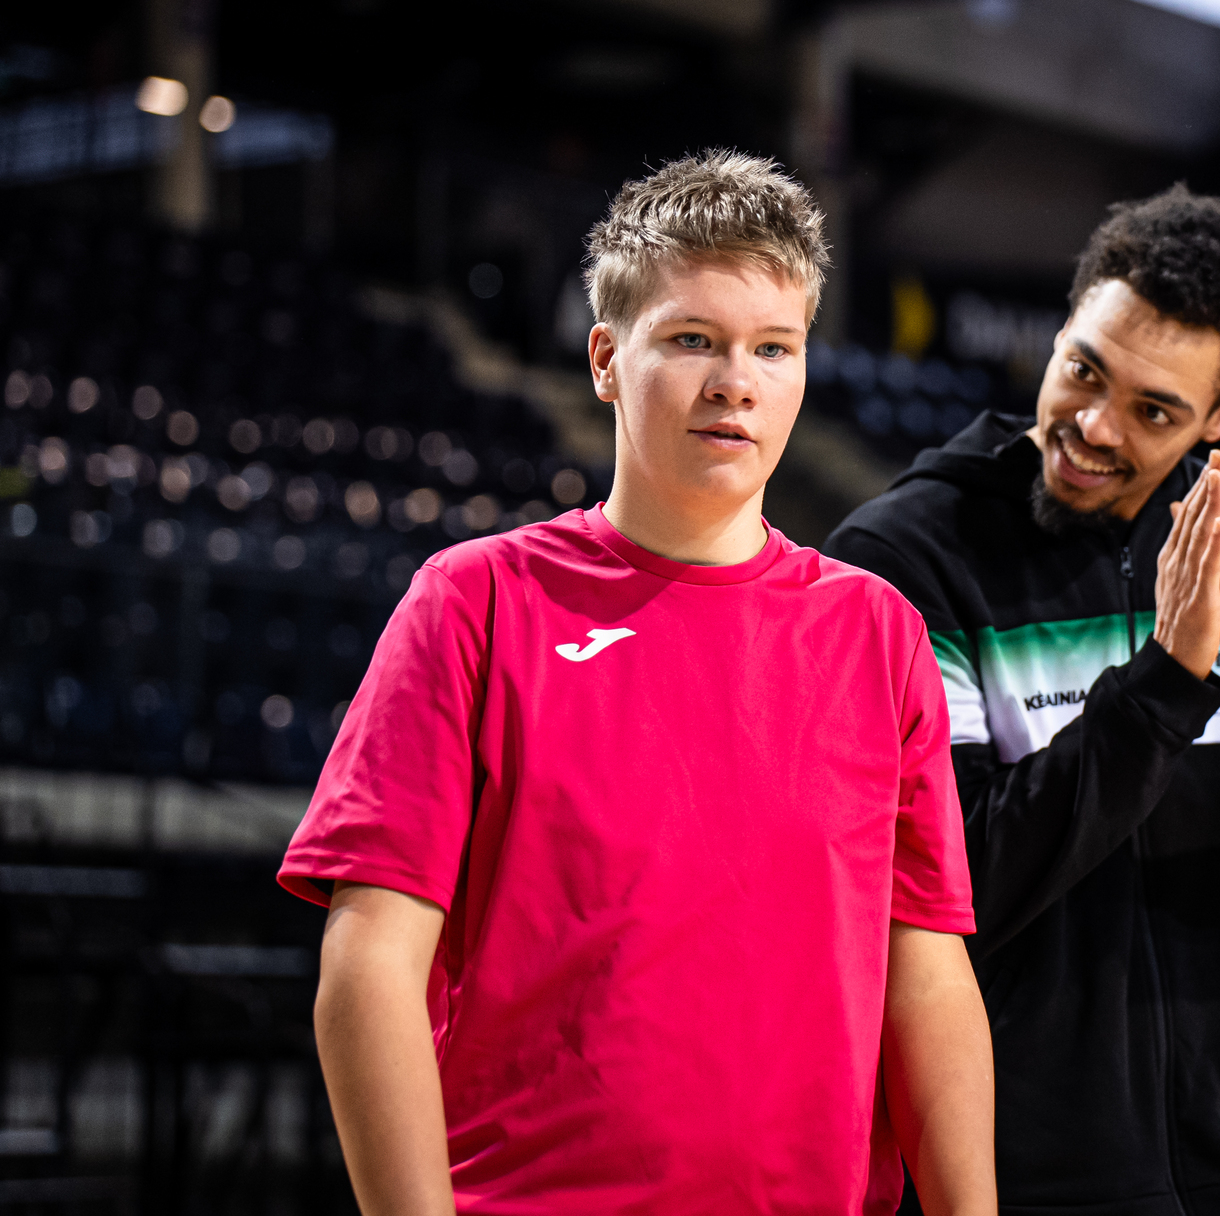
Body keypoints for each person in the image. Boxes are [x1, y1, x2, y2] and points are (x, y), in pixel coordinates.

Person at [279, 153, 995, 1215]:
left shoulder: (878, 633)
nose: (735, 381)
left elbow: (924, 975)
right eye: (692, 338)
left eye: (773, 347)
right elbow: (368, 966)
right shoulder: (475, 604)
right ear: (607, 359)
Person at [823, 185, 1220, 1214]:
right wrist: (1162, 688)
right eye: (1083, 371)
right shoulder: (904, 560)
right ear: (1061, 330)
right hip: (1020, 1186)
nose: (1093, 427)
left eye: (1153, 412)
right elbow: (953, 894)